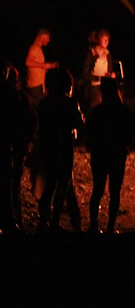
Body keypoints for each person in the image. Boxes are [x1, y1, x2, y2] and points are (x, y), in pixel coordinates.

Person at [35, 68, 83, 232]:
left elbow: (40, 125)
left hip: (49, 146)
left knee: (50, 184)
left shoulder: (45, 103)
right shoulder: (70, 103)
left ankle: (44, 220)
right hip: (64, 147)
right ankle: (55, 220)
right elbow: (77, 123)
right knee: (64, 184)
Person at [86, 77, 132, 233]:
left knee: (97, 190)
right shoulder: (123, 110)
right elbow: (129, 133)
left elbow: (90, 133)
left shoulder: (98, 111)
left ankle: (93, 225)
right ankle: (110, 226)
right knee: (114, 191)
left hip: (100, 154)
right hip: (117, 154)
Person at [1, 66, 37, 232]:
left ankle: (12, 221)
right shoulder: (21, 98)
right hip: (16, 148)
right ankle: (14, 222)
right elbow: (32, 123)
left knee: (9, 186)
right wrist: (25, 143)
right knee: (13, 186)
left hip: (13, 147)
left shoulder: (18, 98)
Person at [83, 29, 116, 110]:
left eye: (107, 39)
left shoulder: (107, 54)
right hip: (95, 87)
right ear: (98, 39)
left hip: (106, 86)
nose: (106, 41)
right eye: (104, 39)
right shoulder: (92, 53)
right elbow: (85, 73)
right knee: (97, 109)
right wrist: (98, 78)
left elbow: (109, 69)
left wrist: (111, 74)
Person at [25, 29, 57, 105]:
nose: (49, 40)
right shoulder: (34, 49)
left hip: (38, 85)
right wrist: (43, 65)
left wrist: (49, 66)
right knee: (46, 104)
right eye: (47, 37)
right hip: (35, 85)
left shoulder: (38, 49)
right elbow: (27, 62)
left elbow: (35, 65)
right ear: (42, 36)